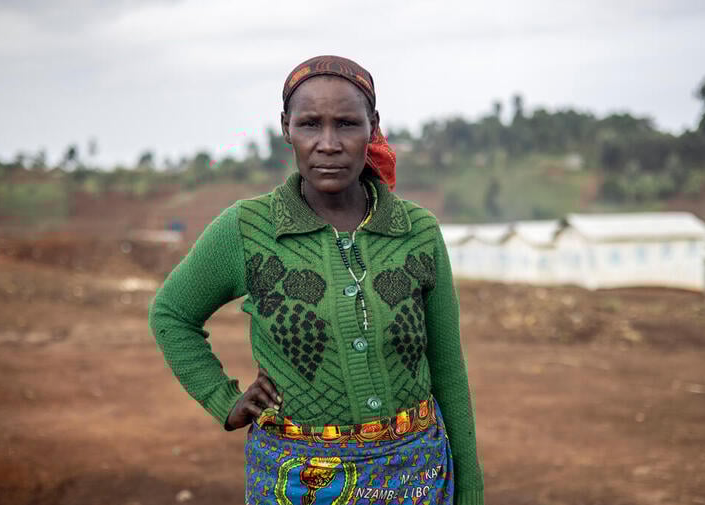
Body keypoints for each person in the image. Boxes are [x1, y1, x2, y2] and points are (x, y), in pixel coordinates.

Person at [149, 55, 484, 505]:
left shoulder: (416, 231)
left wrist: (470, 489)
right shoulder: (248, 229)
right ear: (286, 128)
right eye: (310, 125)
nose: (328, 144)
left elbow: (448, 368)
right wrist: (221, 398)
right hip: (294, 481)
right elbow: (172, 314)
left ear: (373, 127)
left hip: (418, 477)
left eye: (346, 124)